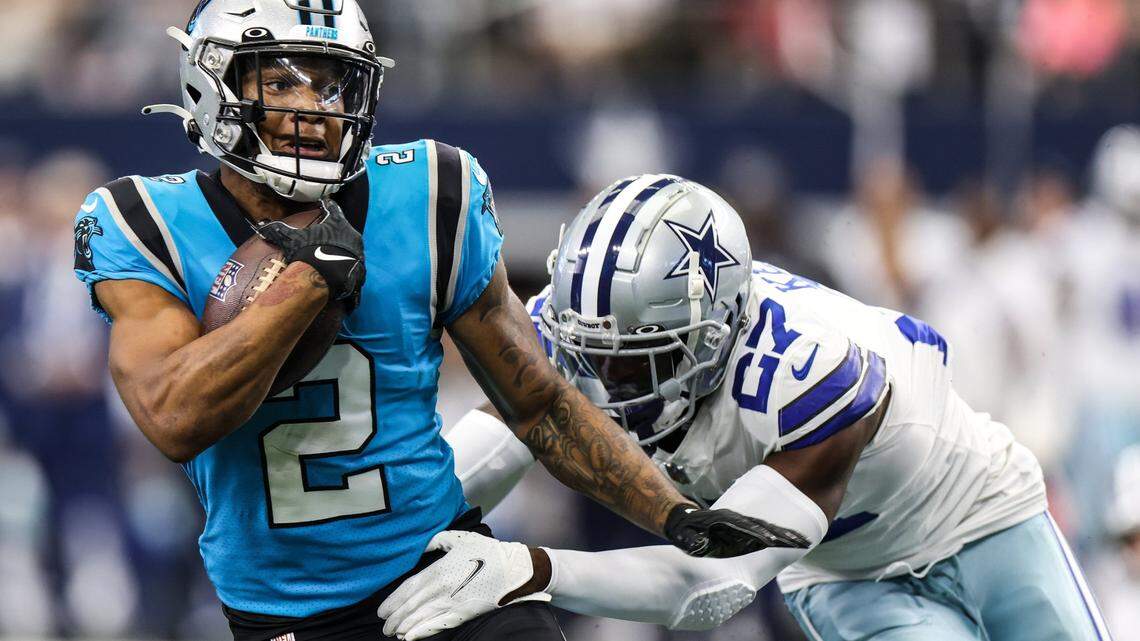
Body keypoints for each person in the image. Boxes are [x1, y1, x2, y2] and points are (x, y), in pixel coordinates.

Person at [71, 4, 792, 640]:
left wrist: (674, 515)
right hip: (287, 611)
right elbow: (173, 416)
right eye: (283, 81)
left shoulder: (427, 190)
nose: (315, 106)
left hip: (445, 565)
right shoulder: (142, 222)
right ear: (214, 86)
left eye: (330, 83)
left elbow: (537, 401)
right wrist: (304, 287)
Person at [380, 175, 1113, 641]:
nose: (605, 379)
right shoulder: (576, 329)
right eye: (594, 352)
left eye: (641, 355)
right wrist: (383, 534)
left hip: (973, 509)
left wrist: (529, 567)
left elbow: (706, 585)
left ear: (719, 330)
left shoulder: (810, 375)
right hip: (838, 567)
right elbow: (466, 461)